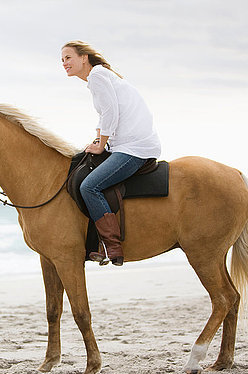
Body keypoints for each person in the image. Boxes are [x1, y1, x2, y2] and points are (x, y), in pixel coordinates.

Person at [61, 40, 161, 266]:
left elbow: (110, 113)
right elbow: (105, 116)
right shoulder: (99, 77)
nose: (64, 63)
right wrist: (98, 141)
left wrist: (100, 144)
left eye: (68, 58)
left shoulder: (97, 75)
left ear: (83, 57)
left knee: (89, 186)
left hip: (133, 147)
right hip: (123, 143)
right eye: (62, 60)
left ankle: (111, 245)